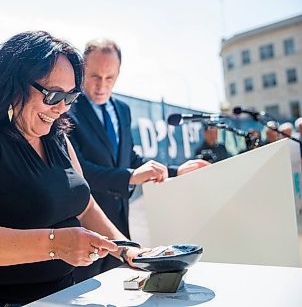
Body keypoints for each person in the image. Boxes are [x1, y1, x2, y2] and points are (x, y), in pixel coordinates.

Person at [0, 31, 150, 306]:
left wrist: (128, 250)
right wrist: (54, 244)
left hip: (59, 294)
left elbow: (85, 207)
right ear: (13, 84)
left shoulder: (57, 135)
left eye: (71, 97)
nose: (62, 108)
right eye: (52, 95)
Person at [67, 38, 209, 282]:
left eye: (109, 78)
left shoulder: (122, 109)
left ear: (119, 74)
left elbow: (130, 157)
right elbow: (78, 170)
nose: (101, 85)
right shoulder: (68, 108)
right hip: (85, 226)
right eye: (94, 76)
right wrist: (129, 177)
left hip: (121, 224)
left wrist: (174, 171)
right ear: (82, 71)